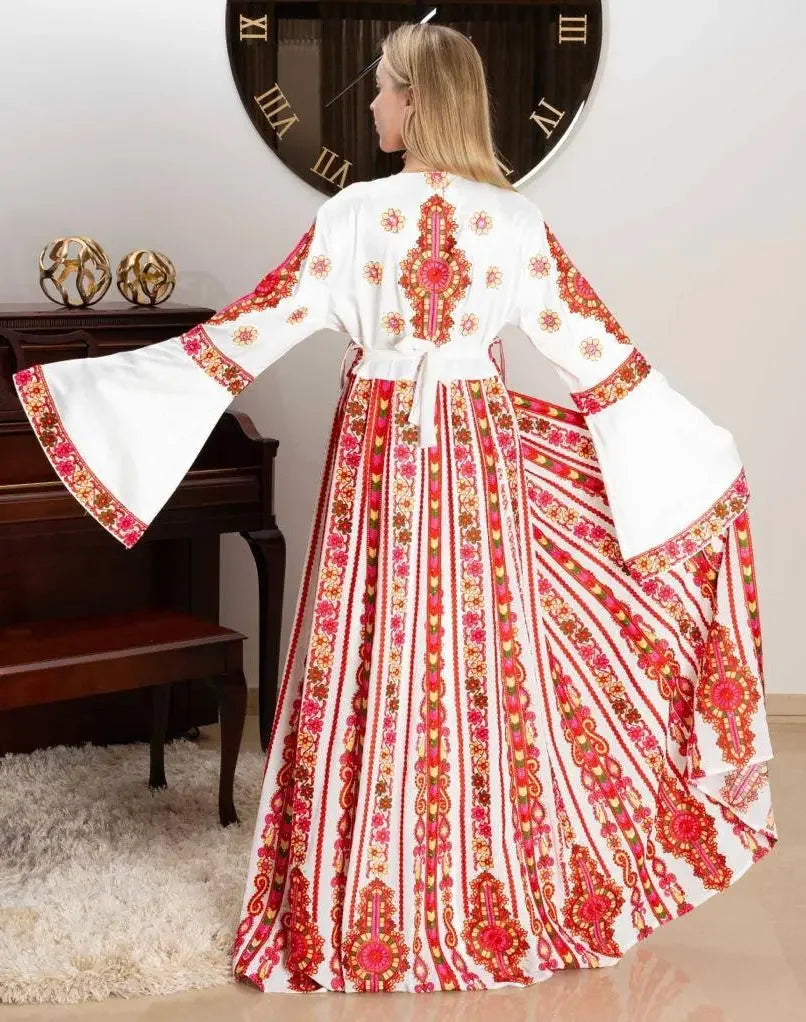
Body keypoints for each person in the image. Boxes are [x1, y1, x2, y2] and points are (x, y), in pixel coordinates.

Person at [13, 23, 776, 995]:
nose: (370, 104)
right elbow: (602, 360)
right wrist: (702, 450)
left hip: (379, 456)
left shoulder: (353, 215)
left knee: (366, 651)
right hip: (478, 459)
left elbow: (244, 336)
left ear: (415, 100)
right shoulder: (514, 222)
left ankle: (354, 898)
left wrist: (87, 395)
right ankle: (487, 890)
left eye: (379, 88)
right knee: (476, 660)